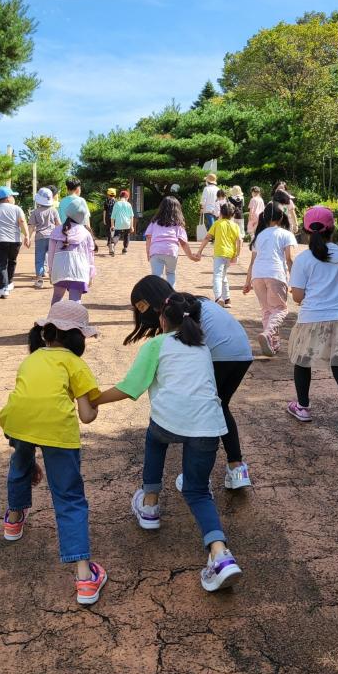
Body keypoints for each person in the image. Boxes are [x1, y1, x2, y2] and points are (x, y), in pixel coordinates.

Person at [95, 293, 242, 593]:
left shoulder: (156, 345)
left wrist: (92, 398)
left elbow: (130, 388)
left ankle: (150, 504)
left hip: (168, 422)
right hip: (208, 426)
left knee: (155, 437)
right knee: (198, 492)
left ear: (163, 319)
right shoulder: (202, 347)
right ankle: (220, 555)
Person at [0, 301, 107, 605]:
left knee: (20, 464)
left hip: (16, 422)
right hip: (57, 432)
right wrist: (93, 400)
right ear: (79, 338)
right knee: (69, 496)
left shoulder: (31, 359)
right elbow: (86, 416)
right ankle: (85, 578)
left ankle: (14, 518)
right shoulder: (75, 364)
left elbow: (27, 400)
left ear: (45, 333)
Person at [124, 276, 253, 490]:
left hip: (219, 353)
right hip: (242, 352)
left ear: (154, 299)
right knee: (219, 406)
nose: (143, 313)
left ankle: (197, 476)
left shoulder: (177, 311)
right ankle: (237, 469)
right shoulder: (190, 302)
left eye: (142, 306)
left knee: (199, 411)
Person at [287, 206, 338, 452]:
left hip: (312, 318)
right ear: (333, 229)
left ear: (305, 229)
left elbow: (298, 297)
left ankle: (302, 406)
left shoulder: (303, 259)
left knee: (302, 362)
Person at [243, 201, 297, 356]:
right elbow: (290, 259)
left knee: (267, 310)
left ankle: (272, 344)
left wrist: (247, 282)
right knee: (280, 309)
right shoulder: (286, 234)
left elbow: (252, 262)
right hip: (276, 274)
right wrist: (294, 281)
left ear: (265, 218)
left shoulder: (258, 236)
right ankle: (268, 334)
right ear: (281, 218)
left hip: (257, 275)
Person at [0, 187, 30, 299]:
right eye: (12, 196)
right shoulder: (17, 209)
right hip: (15, 241)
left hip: (0, 241)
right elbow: (22, 222)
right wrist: (27, 236)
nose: (14, 198)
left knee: (1, 264)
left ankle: (3, 287)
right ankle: (8, 283)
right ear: (8, 198)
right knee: (12, 261)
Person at [48, 197, 95, 303]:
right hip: (79, 270)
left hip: (60, 269)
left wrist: (51, 271)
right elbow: (90, 257)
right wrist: (91, 275)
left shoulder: (56, 231)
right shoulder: (86, 233)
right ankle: (75, 320)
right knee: (75, 301)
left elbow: (50, 254)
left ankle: (53, 319)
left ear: (67, 213)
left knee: (57, 298)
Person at [145, 196, 198, 288]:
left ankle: (158, 297)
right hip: (171, 251)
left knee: (156, 276)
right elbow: (184, 243)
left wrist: (148, 252)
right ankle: (171, 297)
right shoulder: (178, 224)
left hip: (156, 251)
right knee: (170, 273)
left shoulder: (154, 222)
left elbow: (148, 238)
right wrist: (191, 256)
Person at [197, 202, 241, 307]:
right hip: (230, 254)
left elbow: (207, 237)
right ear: (233, 214)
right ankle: (227, 299)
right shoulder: (235, 225)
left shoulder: (217, 223)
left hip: (219, 253)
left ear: (221, 212)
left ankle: (218, 297)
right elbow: (239, 240)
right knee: (223, 276)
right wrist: (237, 254)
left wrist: (200, 251)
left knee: (217, 276)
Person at [28, 187, 61, 287]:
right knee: (52, 258)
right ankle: (52, 277)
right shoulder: (54, 210)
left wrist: (28, 238)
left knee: (39, 258)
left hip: (40, 237)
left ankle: (39, 280)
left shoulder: (35, 212)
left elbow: (31, 227)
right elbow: (59, 224)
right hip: (52, 237)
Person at [110, 189, 134, 256]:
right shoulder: (128, 204)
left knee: (117, 235)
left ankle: (112, 243)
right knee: (126, 235)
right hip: (127, 223)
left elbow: (112, 216)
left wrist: (112, 225)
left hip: (118, 223)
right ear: (126, 197)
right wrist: (132, 226)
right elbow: (131, 216)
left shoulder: (116, 204)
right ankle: (125, 249)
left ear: (120, 197)